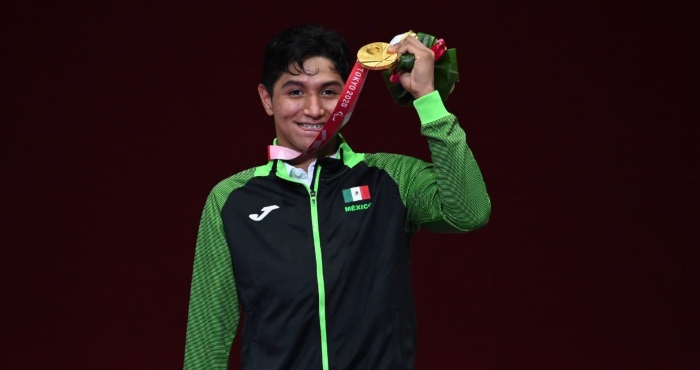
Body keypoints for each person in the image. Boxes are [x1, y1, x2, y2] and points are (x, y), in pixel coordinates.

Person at [183, 23, 491, 370]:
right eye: (295, 92)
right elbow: (207, 339)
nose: (313, 110)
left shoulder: (391, 179)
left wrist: (428, 100)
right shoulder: (231, 199)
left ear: (348, 97)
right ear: (267, 99)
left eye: (329, 92)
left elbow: (469, 211)